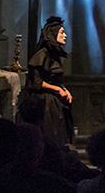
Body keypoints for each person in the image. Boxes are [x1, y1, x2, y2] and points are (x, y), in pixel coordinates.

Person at [26, 16, 75, 148]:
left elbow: (56, 79)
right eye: (62, 32)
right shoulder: (41, 55)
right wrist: (58, 90)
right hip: (44, 102)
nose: (65, 36)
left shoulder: (54, 54)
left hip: (55, 101)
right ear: (53, 34)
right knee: (50, 135)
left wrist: (65, 89)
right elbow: (37, 82)